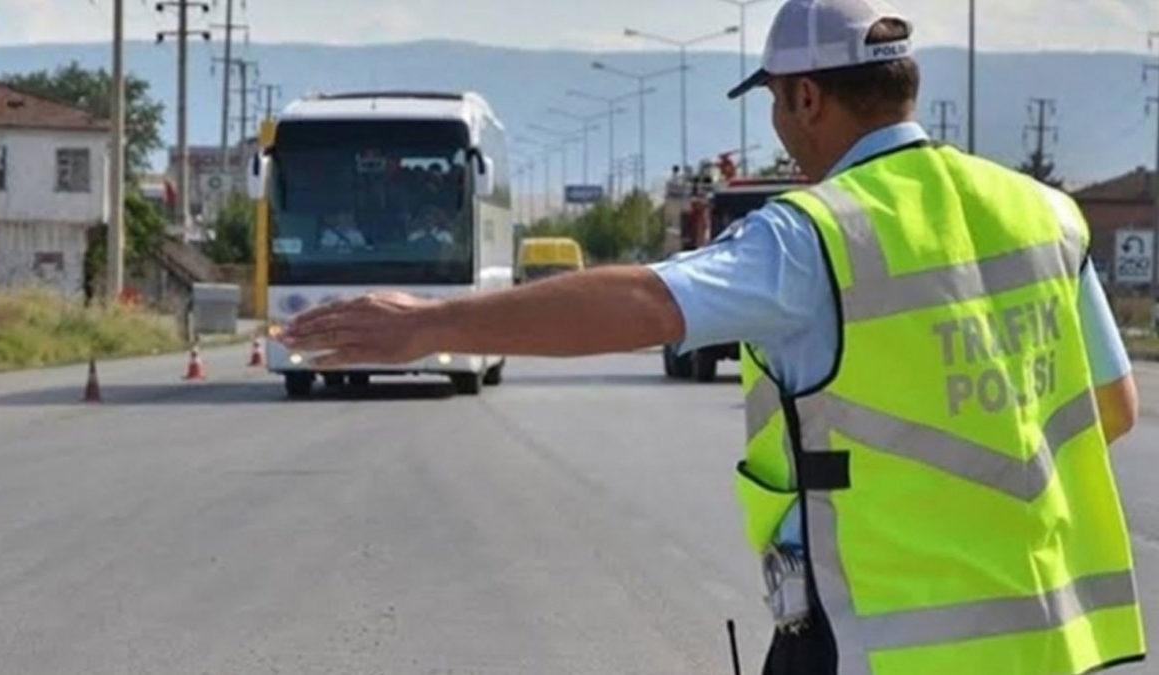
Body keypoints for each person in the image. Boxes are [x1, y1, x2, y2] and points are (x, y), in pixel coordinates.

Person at [283, 1, 1145, 672]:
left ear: (807, 96)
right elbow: (1113, 407)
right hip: (1046, 643)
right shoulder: (1044, 215)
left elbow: (646, 303)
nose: (778, 124)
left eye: (774, 101)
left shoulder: (814, 235)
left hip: (872, 645)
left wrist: (430, 324)